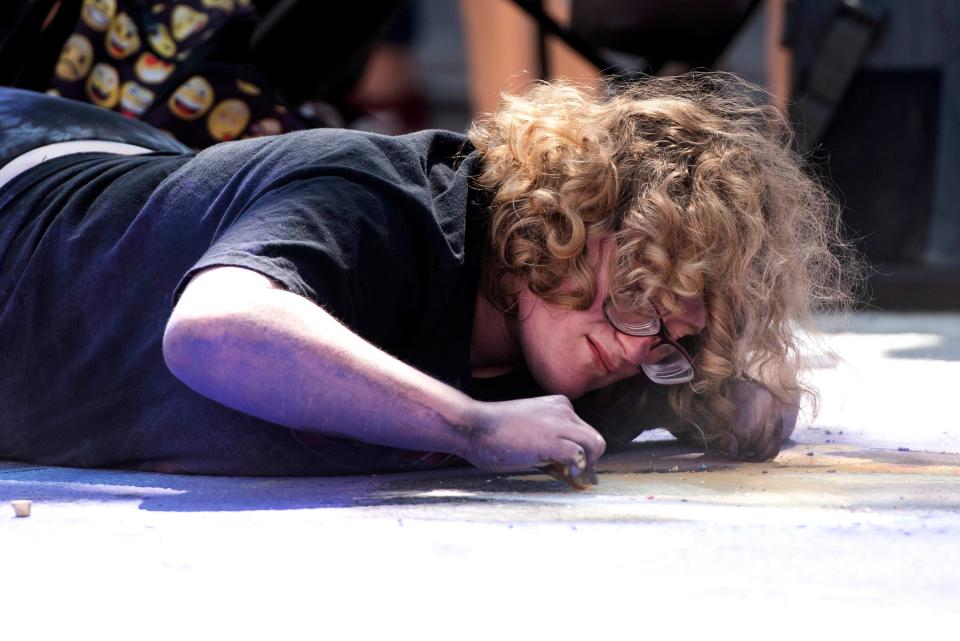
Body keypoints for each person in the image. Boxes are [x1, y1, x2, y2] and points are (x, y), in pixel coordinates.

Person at [0, 72, 857, 483]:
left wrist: (727, 388)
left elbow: (727, 391)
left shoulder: (597, 357)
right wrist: (470, 427)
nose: (639, 348)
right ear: (571, 209)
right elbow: (214, 329)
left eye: (671, 337)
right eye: (636, 295)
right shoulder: (388, 205)